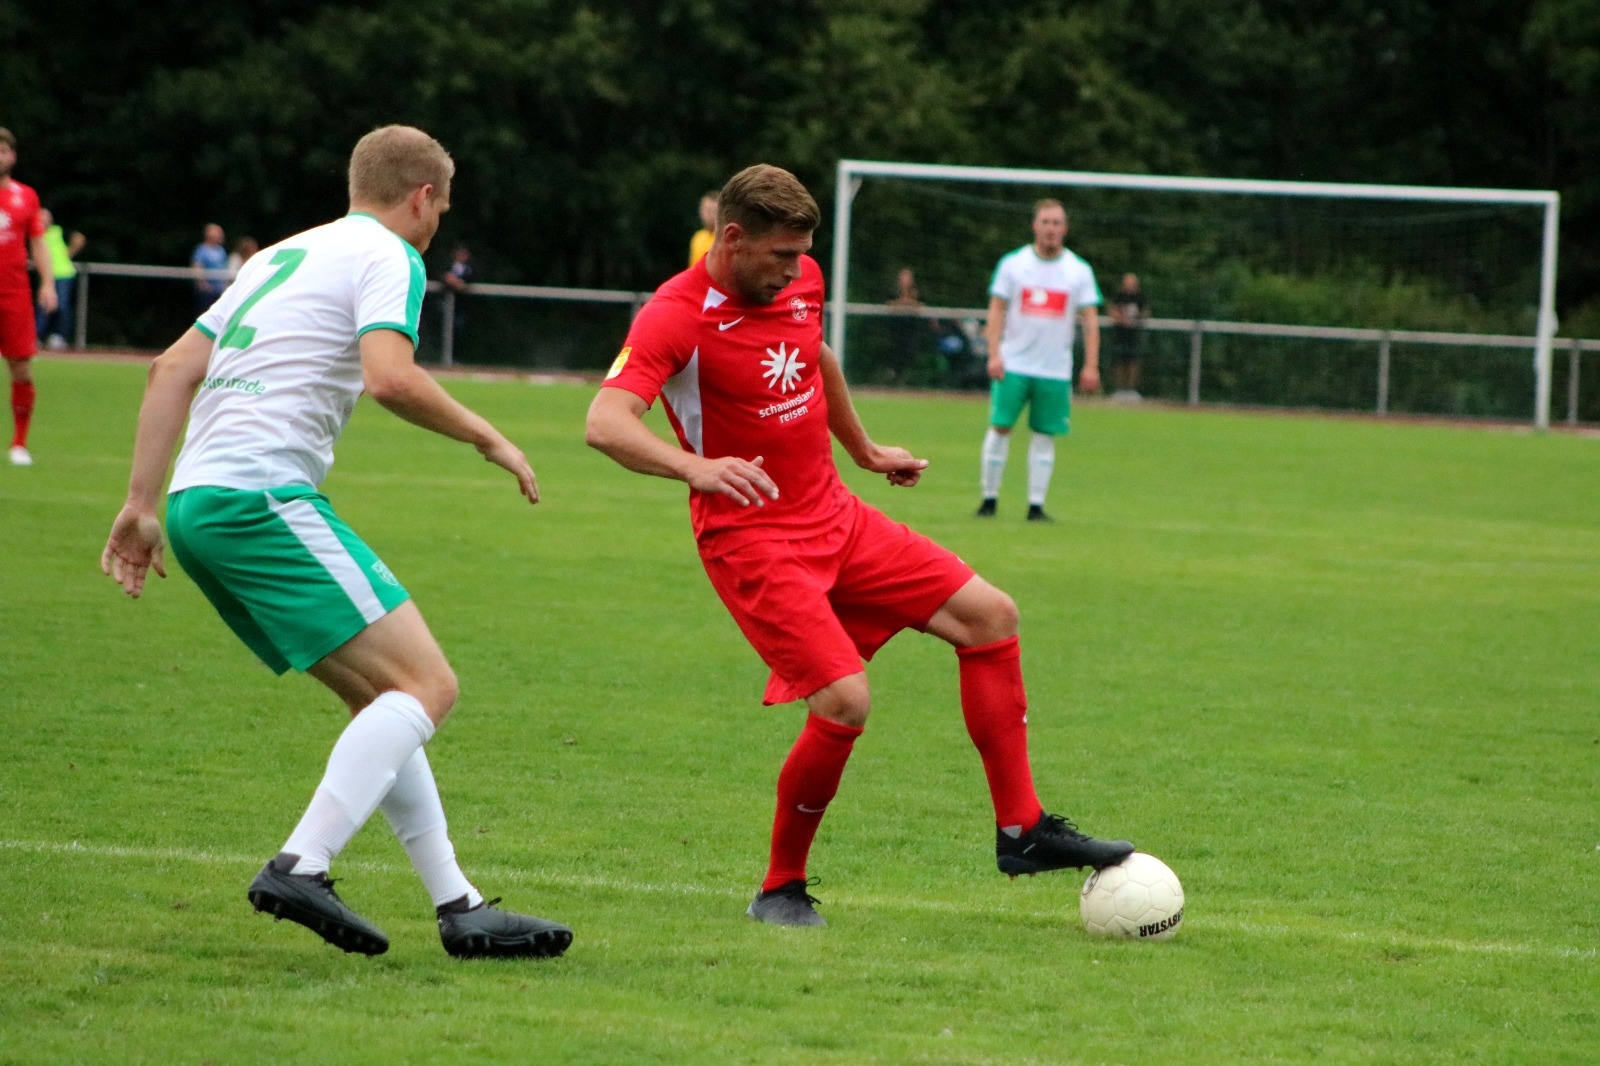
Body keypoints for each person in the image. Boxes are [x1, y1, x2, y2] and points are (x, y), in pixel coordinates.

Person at [585, 165, 1132, 928]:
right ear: (733, 238)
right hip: (753, 541)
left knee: (990, 615)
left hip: (837, 519)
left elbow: (817, 356)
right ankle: (780, 887)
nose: (795, 270)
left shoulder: (797, 279)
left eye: (801, 254)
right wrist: (696, 467)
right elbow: (605, 422)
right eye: (781, 255)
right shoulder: (674, 316)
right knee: (845, 700)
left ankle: (1023, 831)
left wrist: (866, 450)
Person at [100, 125, 572, 960]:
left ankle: (458, 905)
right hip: (260, 497)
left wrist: (141, 504)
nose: (437, 226)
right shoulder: (391, 255)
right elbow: (390, 376)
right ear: (422, 197)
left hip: (196, 505)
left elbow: (169, 369)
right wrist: (486, 436)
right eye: (441, 209)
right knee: (428, 684)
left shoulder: (282, 254)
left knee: (382, 699)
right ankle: (301, 864)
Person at [977, 199, 1101, 522]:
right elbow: (997, 309)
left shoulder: (1078, 271)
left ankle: (1035, 505)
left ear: (1065, 228)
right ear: (1035, 226)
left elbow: (1090, 321)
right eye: (1045, 222)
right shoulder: (1013, 265)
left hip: (1054, 369)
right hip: (1014, 364)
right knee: (1000, 427)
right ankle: (989, 499)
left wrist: (1090, 364)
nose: (1051, 229)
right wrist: (994, 353)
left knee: (1045, 435)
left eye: (1057, 223)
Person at [0, 128, 56, 467]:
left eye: (3, 150)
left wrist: (47, 282)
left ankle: (19, 442)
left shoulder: (26, 197)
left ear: (12, 157)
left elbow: (37, 241)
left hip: (14, 293)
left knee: (21, 368)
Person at [35, 208, 84, 351]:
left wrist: (68, 254)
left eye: (46, 218)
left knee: (62, 305)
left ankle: (59, 336)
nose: (44, 221)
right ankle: (37, 336)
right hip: (47, 274)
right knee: (43, 306)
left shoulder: (58, 231)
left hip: (63, 274)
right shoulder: (36, 234)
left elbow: (79, 238)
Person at [1106, 272, 1148, 402]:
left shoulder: (1140, 296)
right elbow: (1111, 310)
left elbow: (1146, 310)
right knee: (1119, 362)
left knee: (1134, 362)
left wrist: (1136, 319)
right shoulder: (1119, 295)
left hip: (1134, 335)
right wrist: (1122, 320)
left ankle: (1131, 390)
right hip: (1119, 335)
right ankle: (1120, 390)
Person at [441, 244, 473, 349]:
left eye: (464, 254)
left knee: (458, 330)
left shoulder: (470, 269)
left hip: (461, 306)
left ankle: (456, 357)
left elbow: (470, 281)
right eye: (459, 253)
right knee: (444, 329)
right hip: (445, 304)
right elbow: (442, 276)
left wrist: (459, 284)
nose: (461, 256)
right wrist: (450, 281)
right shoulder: (447, 266)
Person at [190, 223, 228, 312]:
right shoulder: (201, 250)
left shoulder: (221, 250)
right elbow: (197, 267)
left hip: (220, 290)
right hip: (207, 290)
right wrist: (203, 284)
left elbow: (224, 267)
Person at [687, 190, 719, 267]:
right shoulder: (698, 238)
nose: (708, 215)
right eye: (706, 210)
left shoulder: (726, 240)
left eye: (712, 210)